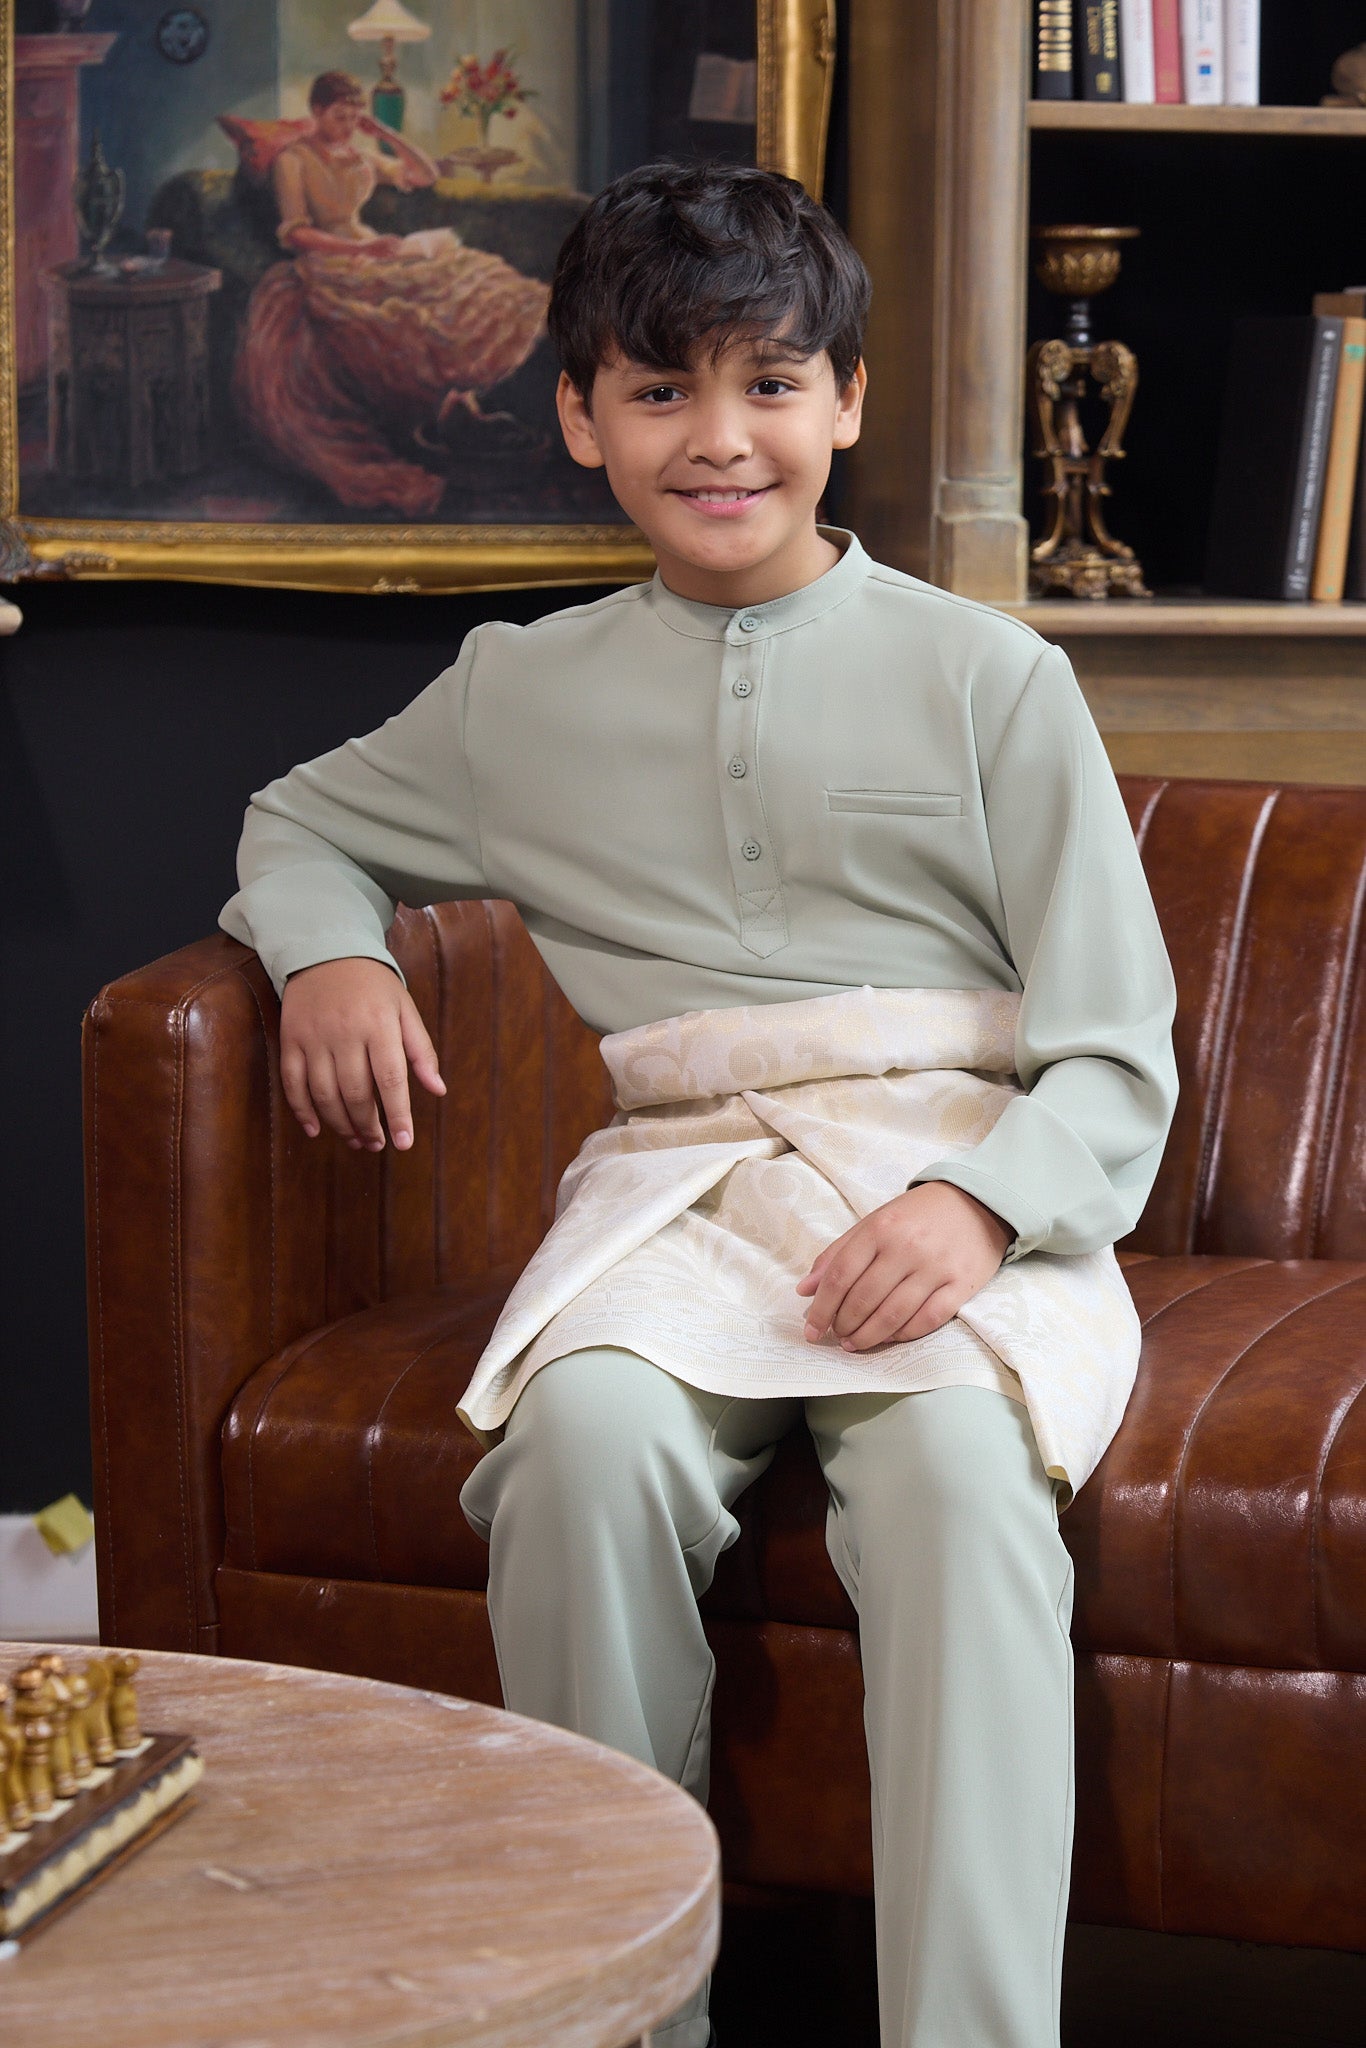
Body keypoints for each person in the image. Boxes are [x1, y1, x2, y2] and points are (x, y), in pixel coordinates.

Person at [219, 161, 1179, 2048]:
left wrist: (982, 1205)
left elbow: (1116, 1044)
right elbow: (301, 819)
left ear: (848, 402)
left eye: (768, 383)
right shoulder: (515, 692)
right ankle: (617, 2014)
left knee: (965, 1484)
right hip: (678, 1188)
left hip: (950, 1179)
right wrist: (326, 954)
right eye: (659, 391)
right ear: (579, 415)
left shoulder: (995, 679)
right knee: (577, 1450)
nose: (718, 437)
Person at [234, 70, 549, 517]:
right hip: (329, 261)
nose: (348, 123)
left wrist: (381, 132)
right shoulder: (295, 159)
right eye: (339, 115)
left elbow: (422, 174)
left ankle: (458, 406)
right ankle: (448, 415)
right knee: (401, 315)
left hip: (372, 250)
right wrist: (360, 248)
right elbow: (297, 234)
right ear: (318, 112)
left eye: (354, 115)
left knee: (472, 276)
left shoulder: (358, 154)